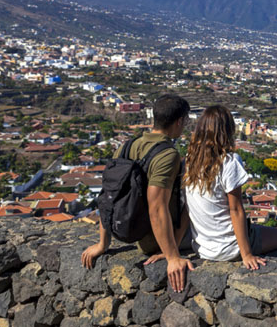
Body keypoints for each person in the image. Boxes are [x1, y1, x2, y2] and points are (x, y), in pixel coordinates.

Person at [81, 94, 193, 292]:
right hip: (153, 241)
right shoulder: (167, 154)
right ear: (179, 121)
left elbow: (109, 197)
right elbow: (157, 208)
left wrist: (102, 244)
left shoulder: (125, 147)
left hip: (126, 231)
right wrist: (172, 257)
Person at [184, 105, 277, 268]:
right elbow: (235, 209)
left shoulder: (190, 161)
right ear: (228, 130)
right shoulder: (229, 161)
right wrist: (247, 254)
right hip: (229, 248)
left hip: (203, 248)